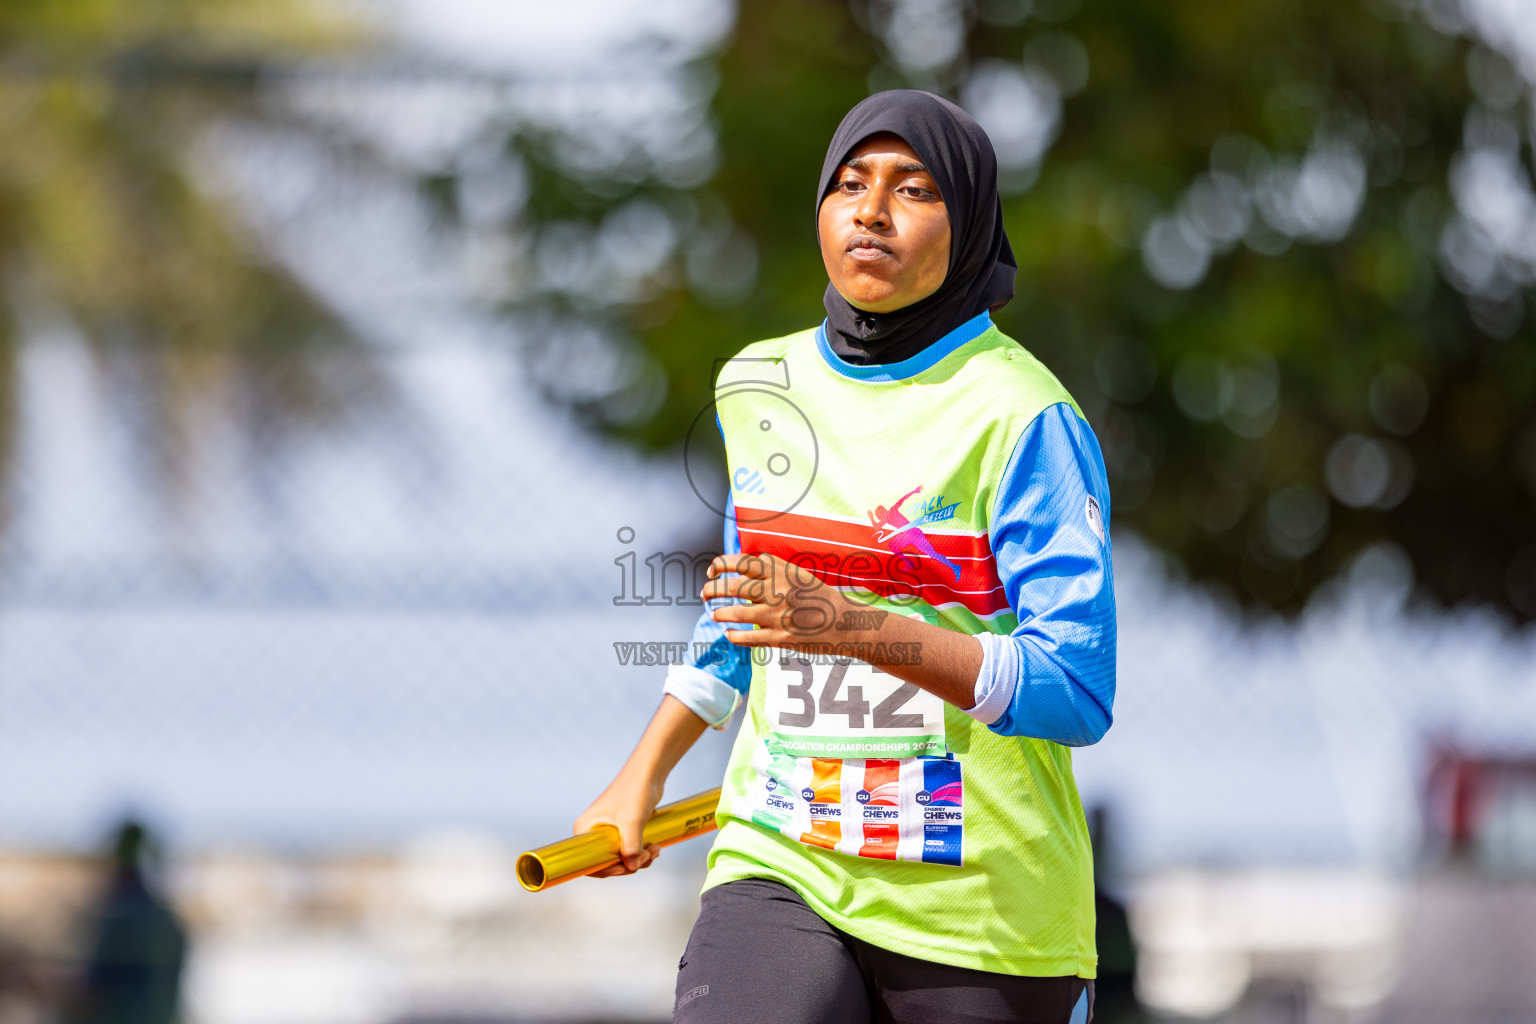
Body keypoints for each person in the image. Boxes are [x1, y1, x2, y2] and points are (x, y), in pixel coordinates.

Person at [576, 89, 1117, 1024]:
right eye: (850, 184)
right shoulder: (758, 384)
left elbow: (1075, 688)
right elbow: (746, 610)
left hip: (983, 913)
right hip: (782, 858)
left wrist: (850, 626)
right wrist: (644, 771)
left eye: (913, 190)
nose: (871, 211)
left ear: (973, 224)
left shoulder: (1026, 417)